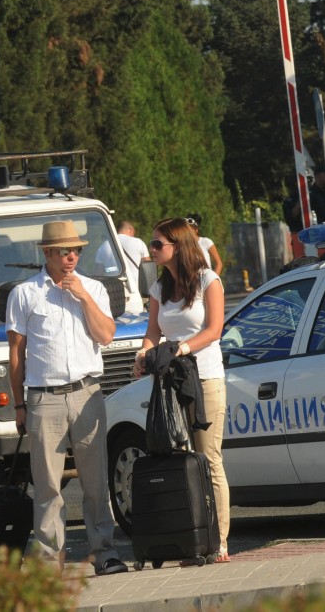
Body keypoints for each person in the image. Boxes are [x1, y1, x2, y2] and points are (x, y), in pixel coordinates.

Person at [5, 221, 127, 576]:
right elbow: (16, 355)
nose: (71, 257)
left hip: (87, 392)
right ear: (47, 253)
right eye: (63, 251)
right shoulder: (25, 294)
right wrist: (19, 404)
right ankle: (48, 563)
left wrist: (84, 298)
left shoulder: (93, 288)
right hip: (44, 398)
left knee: (96, 481)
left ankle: (103, 553)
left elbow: (106, 335)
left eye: (76, 250)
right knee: (47, 487)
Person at [134, 218, 230, 564]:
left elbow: (214, 329)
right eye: (152, 243)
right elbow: (152, 331)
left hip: (204, 379)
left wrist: (181, 349)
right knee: (180, 458)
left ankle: (218, 541)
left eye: (158, 244)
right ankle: (192, 537)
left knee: (208, 458)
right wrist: (143, 353)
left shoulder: (208, 280)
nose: (152, 249)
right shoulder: (159, 288)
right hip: (171, 383)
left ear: (179, 246)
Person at [284, 164, 325, 257]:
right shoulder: (294, 198)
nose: (307, 183)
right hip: (306, 242)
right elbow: (290, 219)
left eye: (309, 180)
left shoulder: (324, 194)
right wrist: (302, 200)